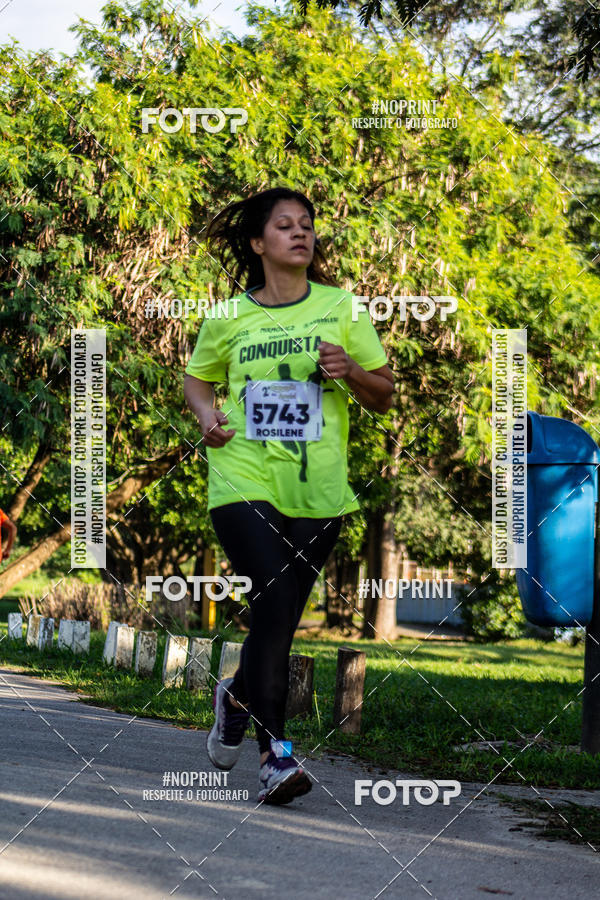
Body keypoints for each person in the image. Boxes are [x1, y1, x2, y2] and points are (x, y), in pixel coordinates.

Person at [183, 187, 393, 805]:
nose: (300, 233)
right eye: (284, 226)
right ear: (257, 243)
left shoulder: (342, 309)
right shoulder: (228, 316)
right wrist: (206, 417)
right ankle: (276, 755)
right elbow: (197, 381)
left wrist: (350, 370)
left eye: (307, 224)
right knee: (273, 603)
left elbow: (384, 391)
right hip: (243, 475)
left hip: (320, 490)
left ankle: (235, 694)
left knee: (278, 618)